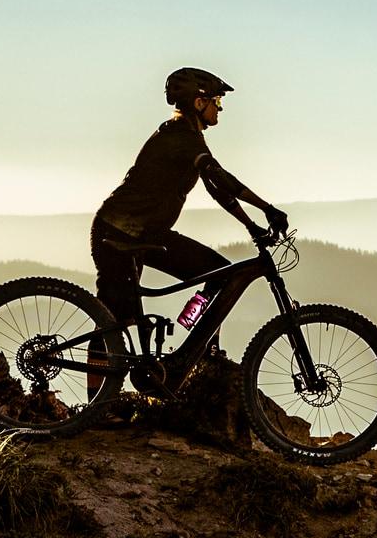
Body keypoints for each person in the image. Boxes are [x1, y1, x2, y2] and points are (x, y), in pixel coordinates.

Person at [91, 67, 288, 384]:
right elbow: (220, 177)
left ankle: (196, 350)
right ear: (199, 103)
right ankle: (96, 406)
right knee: (112, 320)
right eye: (216, 101)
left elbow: (215, 188)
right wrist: (267, 208)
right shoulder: (180, 136)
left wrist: (251, 225)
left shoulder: (188, 135)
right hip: (117, 233)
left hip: (146, 234)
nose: (219, 108)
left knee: (222, 274)